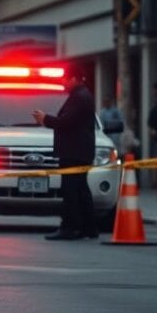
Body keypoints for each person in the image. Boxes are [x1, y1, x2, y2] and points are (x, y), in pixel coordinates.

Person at [33, 70, 97, 240]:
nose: (63, 83)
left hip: (74, 152)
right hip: (79, 151)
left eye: (65, 79)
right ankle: (88, 228)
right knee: (81, 189)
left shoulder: (80, 97)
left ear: (74, 78)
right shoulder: (82, 95)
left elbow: (66, 122)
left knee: (70, 191)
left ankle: (70, 227)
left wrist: (45, 119)